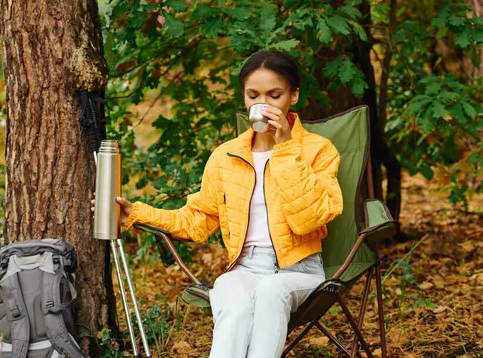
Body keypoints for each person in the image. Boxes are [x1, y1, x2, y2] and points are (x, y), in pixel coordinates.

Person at [92, 50, 343, 358]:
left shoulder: (319, 151)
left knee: (270, 291)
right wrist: (137, 213)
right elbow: (197, 219)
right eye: (253, 95)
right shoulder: (226, 155)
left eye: (274, 95)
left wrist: (286, 148)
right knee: (233, 305)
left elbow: (311, 219)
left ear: (294, 96)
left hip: (300, 271)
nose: (262, 104)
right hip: (244, 268)